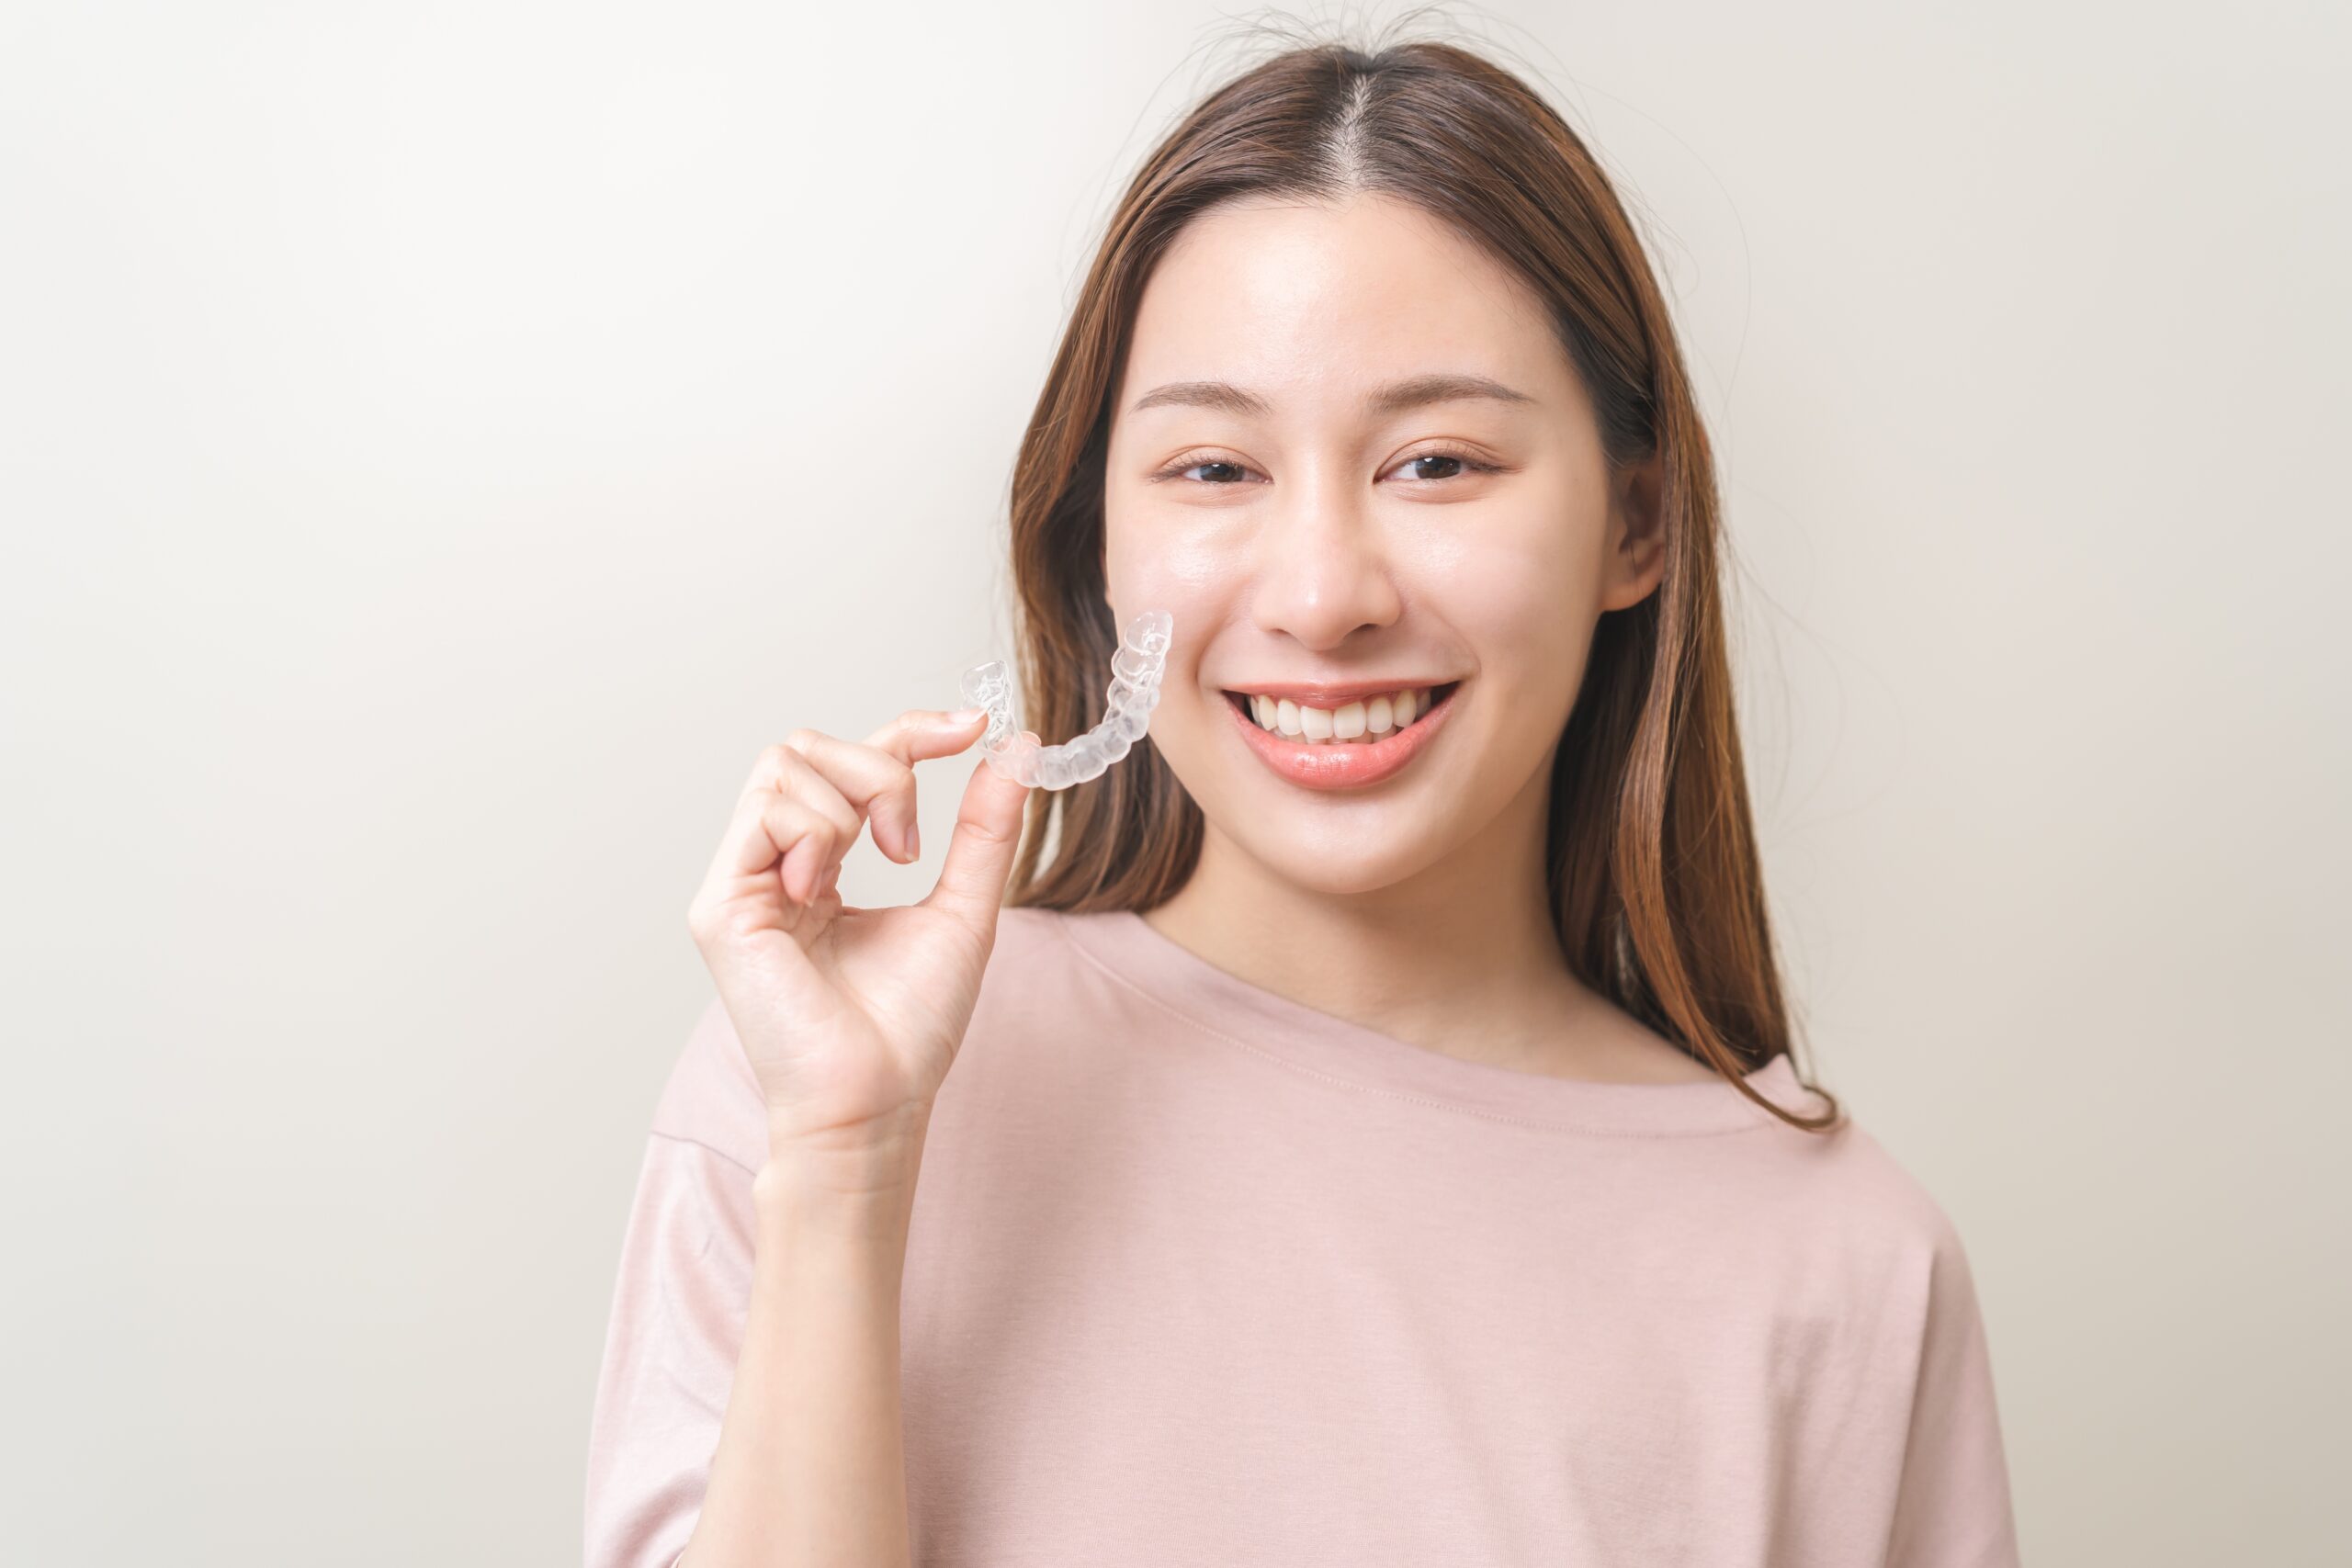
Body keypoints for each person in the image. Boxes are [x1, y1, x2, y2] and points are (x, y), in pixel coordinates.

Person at [582, 31, 2021, 1568]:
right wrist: (848, 1167)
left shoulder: (1849, 1272)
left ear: (1637, 523)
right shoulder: (825, 1081)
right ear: (1098, 550)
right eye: (1214, 471)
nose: (1325, 595)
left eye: (1439, 462)